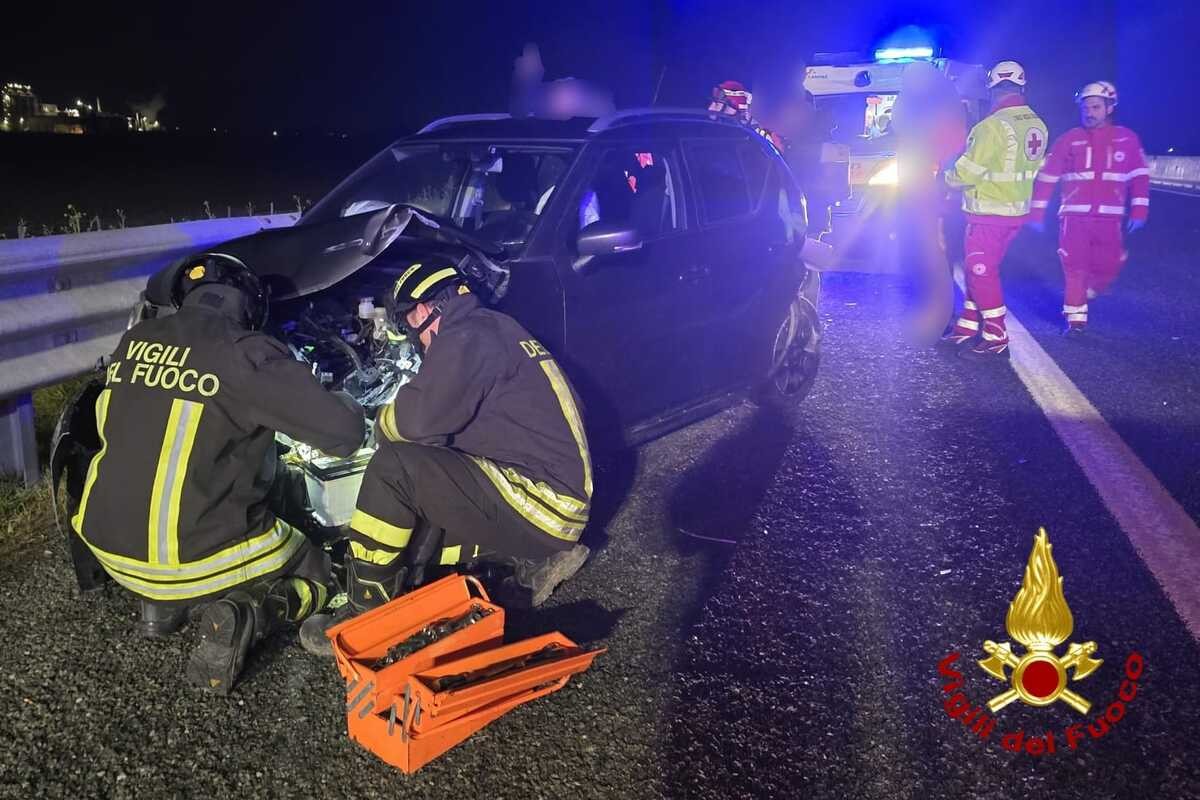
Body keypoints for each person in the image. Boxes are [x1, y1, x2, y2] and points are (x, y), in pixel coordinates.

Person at [70, 253, 366, 694]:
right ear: (249, 308)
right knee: (325, 565)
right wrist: (346, 400)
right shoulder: (246, 353)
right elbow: (344, 435)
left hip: (104, 544)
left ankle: (164, 607)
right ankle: (253, 612)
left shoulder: (135, 340)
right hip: (184, 560)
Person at [301, 260, 592, 652]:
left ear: (423, 310)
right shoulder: (496, 327)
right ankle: (526, 558)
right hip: (548, 499)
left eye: (409, 327)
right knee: (419, 508)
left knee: (396, 468)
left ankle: (366, 614)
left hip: (540, 502)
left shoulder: (466, 334)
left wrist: (378, 424)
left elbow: (418, 423)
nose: (417, 342)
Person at [942, 61, 1049, 361]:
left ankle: (995, 335)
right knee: (984, 270)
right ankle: (968, 324)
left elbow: (966, 173)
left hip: (988, 212)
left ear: (992, 90)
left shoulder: (990, 127)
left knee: (980, 271)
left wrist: (944, 176)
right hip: (1014, 212)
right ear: (1021, 87)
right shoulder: (1036, 124)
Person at [1028, 81, 1149, 334]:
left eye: (1095, 107)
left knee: (1110, 264)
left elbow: (1139, 177)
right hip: (1073, 218)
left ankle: (1090, 290)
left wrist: (1139, 211)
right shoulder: (1069, 140)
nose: (1089, 113)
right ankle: (1075, 320)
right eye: (1085, 108)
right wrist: (1037, 212)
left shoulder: (1127, 139)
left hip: (1109, 219)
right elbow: (1048, 177)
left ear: (1109, 108)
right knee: (1074, 267)